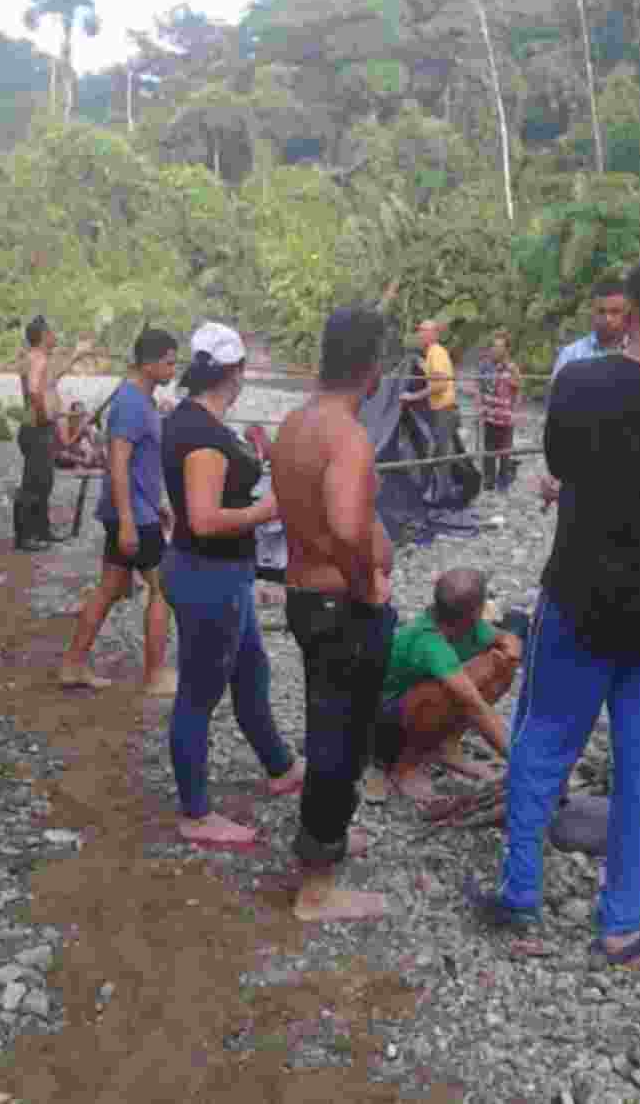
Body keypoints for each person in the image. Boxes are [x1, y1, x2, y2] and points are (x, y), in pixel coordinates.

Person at [467, 255, 640, 964]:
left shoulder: (580, 381)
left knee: (543, 741)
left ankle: (520, 892)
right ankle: (622, 921)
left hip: (578, 594)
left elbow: (561, 465)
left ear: (630, 308)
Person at [270, 305, 396, 922]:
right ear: (373, 370)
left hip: (304, 596)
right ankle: (316, 884)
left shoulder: (297, 422)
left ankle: (330, 838)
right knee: (338, 740)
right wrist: (364, 581)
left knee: (333, 723)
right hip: (335, 603)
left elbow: (328, 516)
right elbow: (347, 527)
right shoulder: (347, 436)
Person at [162, 322, 304, 850]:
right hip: (208, 576)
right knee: (199, 695)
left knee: (251, 673)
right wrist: (269, 508)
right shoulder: (201, 436)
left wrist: (258, 458)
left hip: (219, 574)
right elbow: (201, 518)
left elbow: (216, 487)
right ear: (235, 372)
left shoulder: (199, 421)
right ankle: (195, 813)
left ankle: (281, 766)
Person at [59, 328, 178, 692]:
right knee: (164, 589)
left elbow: (140, 465)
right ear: (149, 364)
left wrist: (157, 503)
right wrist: (128, 521)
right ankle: (156, 673)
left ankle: (73, 664)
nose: (174, 370)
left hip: (139, 510)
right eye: (170, 362)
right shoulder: (130, 403)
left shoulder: (141, 401)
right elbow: (118, 464)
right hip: (132, 516)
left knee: (110, 588)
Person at [375, 568, 522, 800]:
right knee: (449, 692)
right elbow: (475, 707)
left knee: (501, 662)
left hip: (411, 707)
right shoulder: (427, 641)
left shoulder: (463, 625)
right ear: (475, 611)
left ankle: (446, 746)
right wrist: (520, 763)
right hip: (381, 722)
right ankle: (405, 767)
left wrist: (511, 646)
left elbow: (503, 637)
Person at [540, 279, 629, 510]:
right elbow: (555, 416)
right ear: (592, 313)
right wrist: (554, 473)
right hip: (577, 471)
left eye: (615, 312)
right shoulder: (571, 355)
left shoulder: (639, 356)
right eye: (601, 311)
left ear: (627, 314)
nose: (608, 318)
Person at [13, 315, 96, 551]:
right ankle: (25, 535)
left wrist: (75, 358)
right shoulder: (37, 359)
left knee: (44, 481)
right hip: (36, 427)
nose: (54, 336)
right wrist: (41, 415)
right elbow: (35, 392)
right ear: (42, 336)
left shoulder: (40, 359)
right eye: (51, 333)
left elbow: (47, 382)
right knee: (34, 482)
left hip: (41, 427)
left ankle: (41, 530)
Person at [401, 319, 456, 504]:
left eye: (423, 331)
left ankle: (442, 496)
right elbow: (433, 374)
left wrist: (414, 396)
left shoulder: (437, 352)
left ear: (432, 334)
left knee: (441, 453)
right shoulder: (431, 353)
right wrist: (420, 363)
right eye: (419, 331)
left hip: (444, 409)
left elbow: (440, 383)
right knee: (440, 450)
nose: (420, 335)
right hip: (440, 409)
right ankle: (441, 492)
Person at [469, 330, 522, 493]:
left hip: (505, 417)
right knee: (489, 451)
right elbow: (476, 386)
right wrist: (478, 406)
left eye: (500, 347)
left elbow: (518, 389)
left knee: (505, 452)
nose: (496, 349)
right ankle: (488, 482)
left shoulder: (512, 367)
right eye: (494, 346)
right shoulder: (484, 366)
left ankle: (503, 482)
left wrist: (515, 412)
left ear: (507, 349)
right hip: (489, 416)